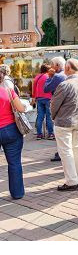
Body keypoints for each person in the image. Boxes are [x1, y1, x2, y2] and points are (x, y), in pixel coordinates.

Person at [51, 59, 78, 191]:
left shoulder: (65, 84)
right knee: (77, 149)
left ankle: (72, 181)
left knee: (66, 151)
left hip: (64, 122)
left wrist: (53, 117)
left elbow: (54, 104)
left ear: (67, 68)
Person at [0, 66, 26, 199]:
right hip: (11, 129)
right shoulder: (9, 91)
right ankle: (17, 193)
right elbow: (21, 109)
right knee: (14, 162)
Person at [44, 56, 67, 162]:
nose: (51, 67)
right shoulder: (67, 74)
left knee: (60, 134)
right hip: (70, 108)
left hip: (60, 108)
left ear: (57, 65)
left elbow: (46, 88)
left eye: (52, 65)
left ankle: (61, 153)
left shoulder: (57, 76)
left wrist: (49, 76)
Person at [32, 64, 54, 140]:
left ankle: (39, 134)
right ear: (48, 70)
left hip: (39, 98)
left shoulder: (37, 77)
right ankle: (50, 134)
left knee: (40, 116)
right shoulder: (49, 77)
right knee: (49, 116)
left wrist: (34, 98)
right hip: (48, 98)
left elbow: (34, 89)